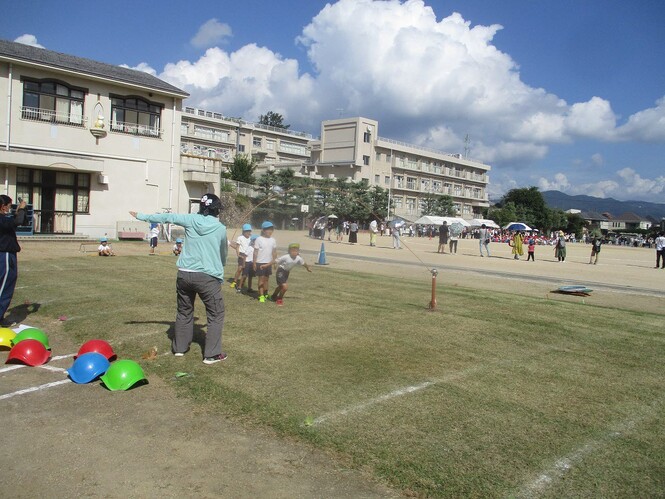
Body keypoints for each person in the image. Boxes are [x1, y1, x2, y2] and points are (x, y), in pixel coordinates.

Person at [129, 193, 228, 365]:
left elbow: (167, 216)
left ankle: (180, 349)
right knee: (216, 314)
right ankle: (211, 355)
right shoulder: (220, 228)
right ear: (216, 210)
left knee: (184, 311)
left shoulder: (190, 219)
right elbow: (223, 253)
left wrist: (141, 216)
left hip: (184, 274)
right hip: (207, 277)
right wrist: (221, 267)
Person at [0, 195, 27, 326]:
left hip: (9, 255)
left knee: (8, 285)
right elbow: (17, 222)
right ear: (3, 206)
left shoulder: (4, 220)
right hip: (4, 255)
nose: (10, 209)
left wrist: (21, 211)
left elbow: (19, 221)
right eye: (9, 206)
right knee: (4, 286)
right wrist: (21, 209)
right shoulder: (1, 219)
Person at [254, 220, 277, 303]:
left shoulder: (273, 240)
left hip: (269, 262)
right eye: (268, 229)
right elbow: (255, 252)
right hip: (260, 262)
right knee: (261, 279)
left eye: (271, 229)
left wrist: (274, 262)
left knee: (267, 279)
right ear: (263, 230)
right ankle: (261, 295)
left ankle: (266, 293)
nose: (270, 231)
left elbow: (274, 252)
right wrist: (254, 263)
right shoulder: (259, 239)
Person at [230, 224, 252, 288]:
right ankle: (234, 282)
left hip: (248, 255)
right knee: (240, 268)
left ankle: (242, 284)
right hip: (242, 254)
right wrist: (238, 254)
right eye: (247, 231)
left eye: (249, 231)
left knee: (246, 271)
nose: (248, 232)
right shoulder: (240, 238)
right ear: (243, 231)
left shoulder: (251, 238)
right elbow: (237, 247)